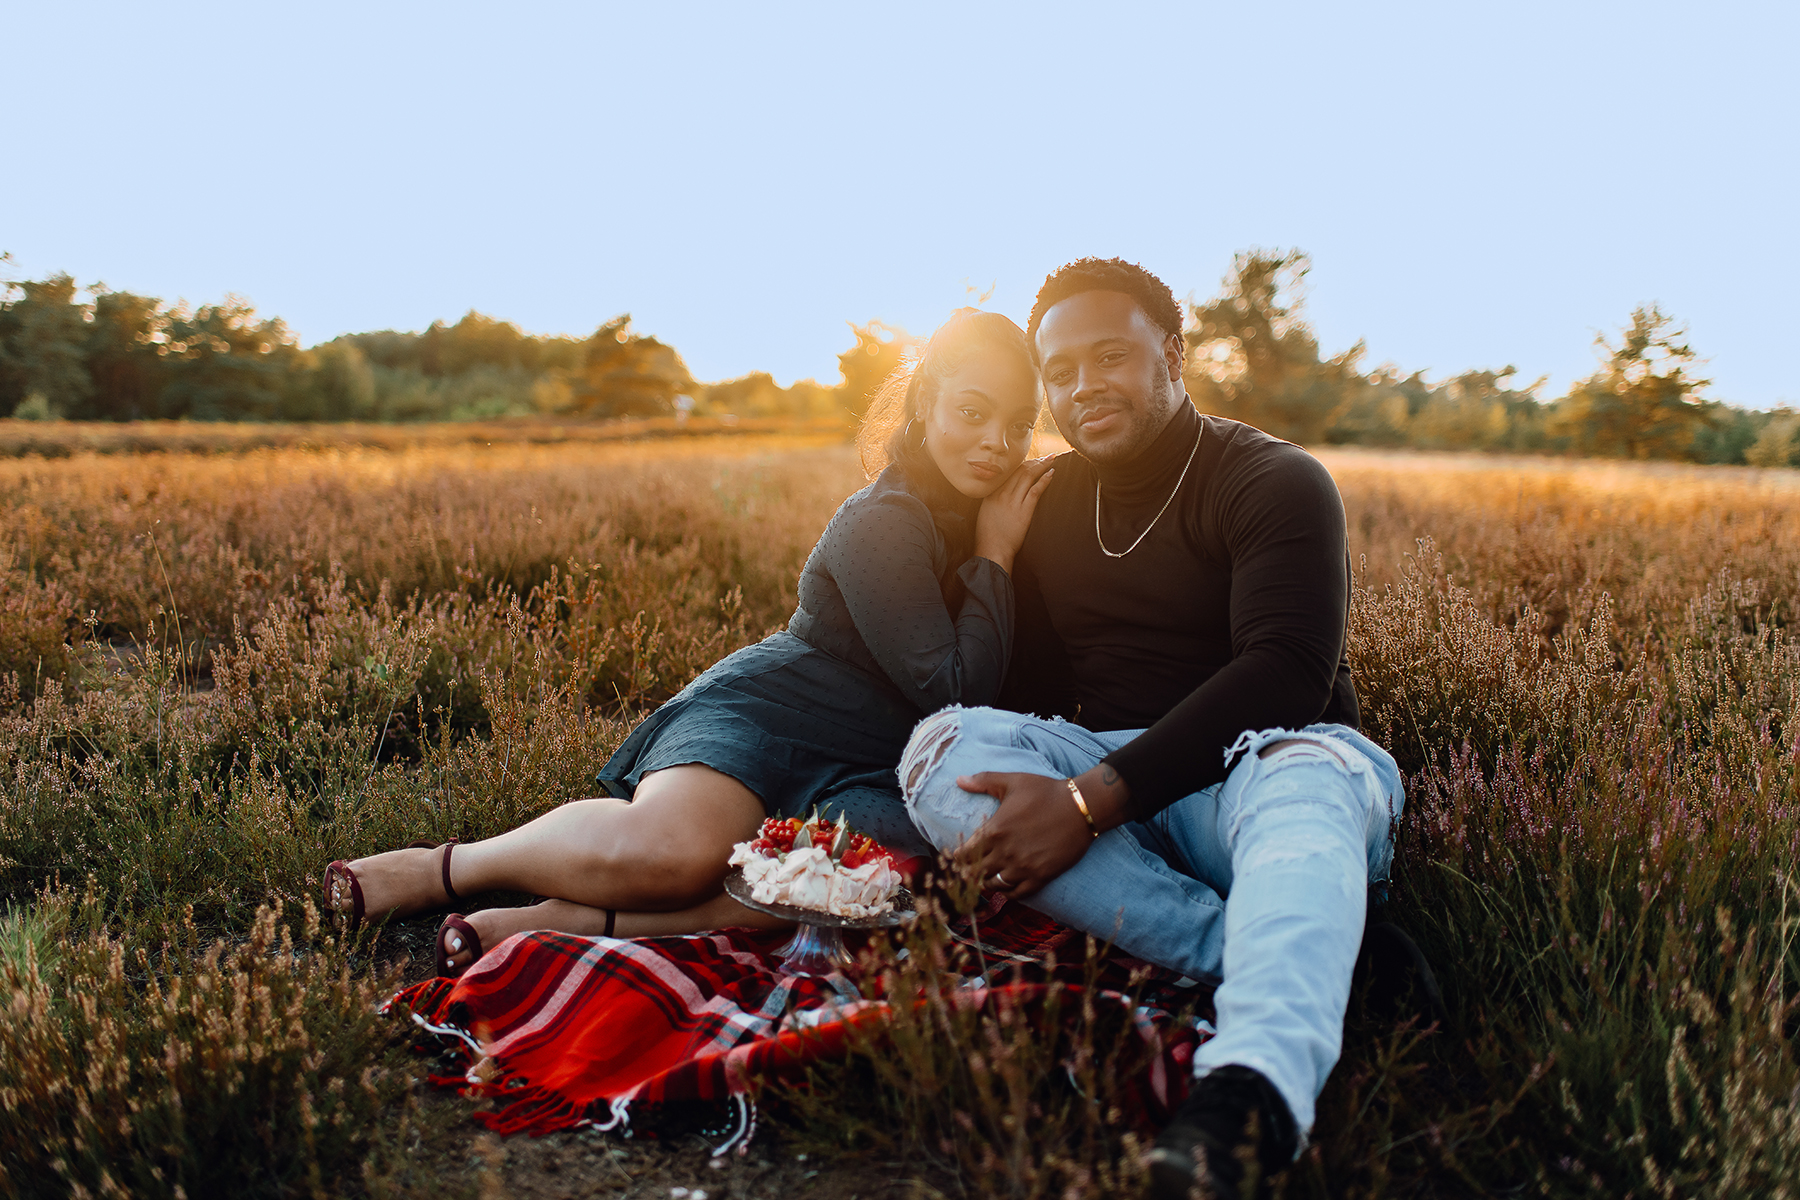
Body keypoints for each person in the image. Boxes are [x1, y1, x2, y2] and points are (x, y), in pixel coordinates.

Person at [898, 260, 1421, 1200]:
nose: (1082, 385)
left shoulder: (1275, 478)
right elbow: (1030, 695)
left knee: (1306, 774)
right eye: (1059, 370)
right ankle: (1279, 947)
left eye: (1111, 356)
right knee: (942, 748)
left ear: (1172, 355)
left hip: (1265, 772)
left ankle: (1245, 1103)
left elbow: (1286, 675)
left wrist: (1086, 805)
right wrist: (995, 560)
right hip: (1123, 785)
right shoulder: (1052, 500)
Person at [325, 309, 1053, 975]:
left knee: (878, 877)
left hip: (871, 765)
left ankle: (576, 920)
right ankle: (451, 869)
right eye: (971, 412)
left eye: (1017, 424)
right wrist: (994, 555)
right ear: (926, 406)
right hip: (773, 717)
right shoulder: (885, 519)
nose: (996, 441)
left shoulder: (996, 506)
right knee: (677, 856)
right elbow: (953, 692)